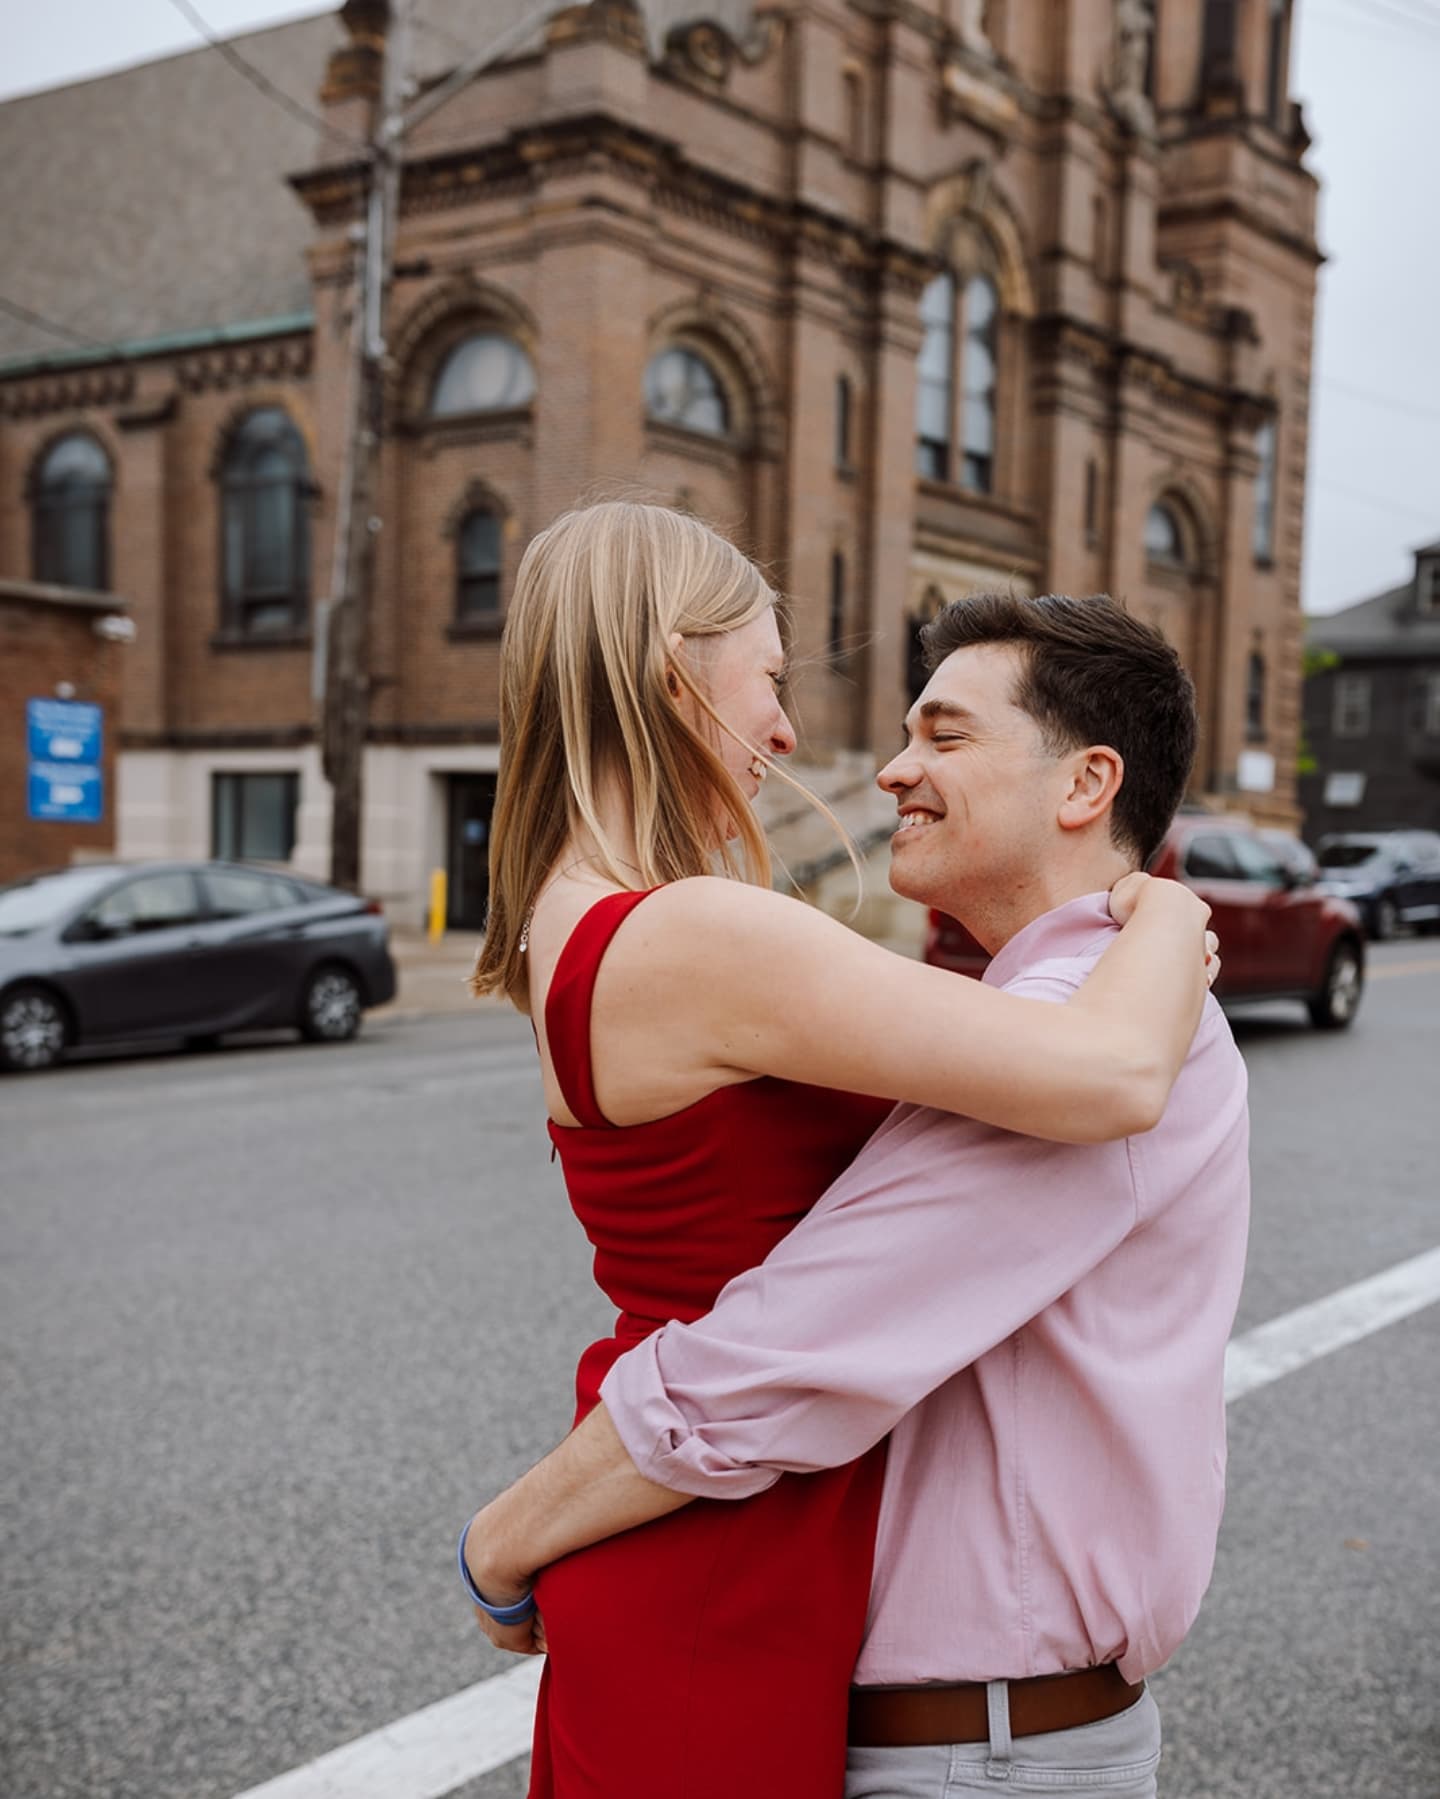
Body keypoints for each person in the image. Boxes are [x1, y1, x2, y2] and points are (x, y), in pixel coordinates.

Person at [464, 506, 1216, 1799]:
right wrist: (1172, 918)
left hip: (710, 1530)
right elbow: (1108, 1071)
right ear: (668, 672)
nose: (790, 733)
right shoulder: (702, 932)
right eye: (768, 679)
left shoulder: (582, 925)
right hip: (716, 1548)